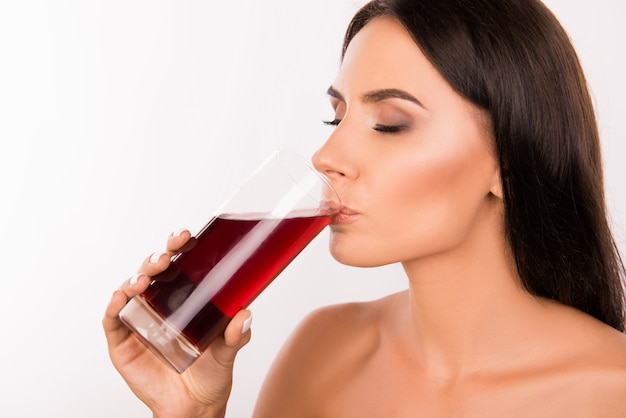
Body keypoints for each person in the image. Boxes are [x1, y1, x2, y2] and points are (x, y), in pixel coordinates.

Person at [103, 0, 626, 416]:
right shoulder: (322, 353)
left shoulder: (611, 393)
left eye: (390, 124)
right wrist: (193, 415)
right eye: (337, 118)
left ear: (509, 163)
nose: (326, 157)